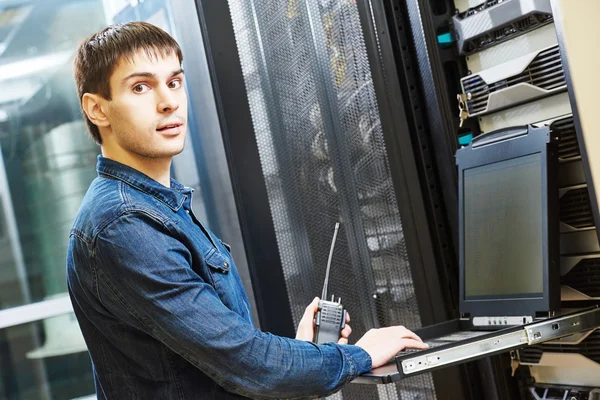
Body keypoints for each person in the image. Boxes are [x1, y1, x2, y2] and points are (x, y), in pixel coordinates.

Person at [67, 21, 428, 399]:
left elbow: (221, 366)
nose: (168, 101)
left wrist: (305, 353)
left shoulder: (158, 207)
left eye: (174, 82)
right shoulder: (125, 225)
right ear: (97, 109)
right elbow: (248, 363)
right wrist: (359, 356)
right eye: (141, 87)